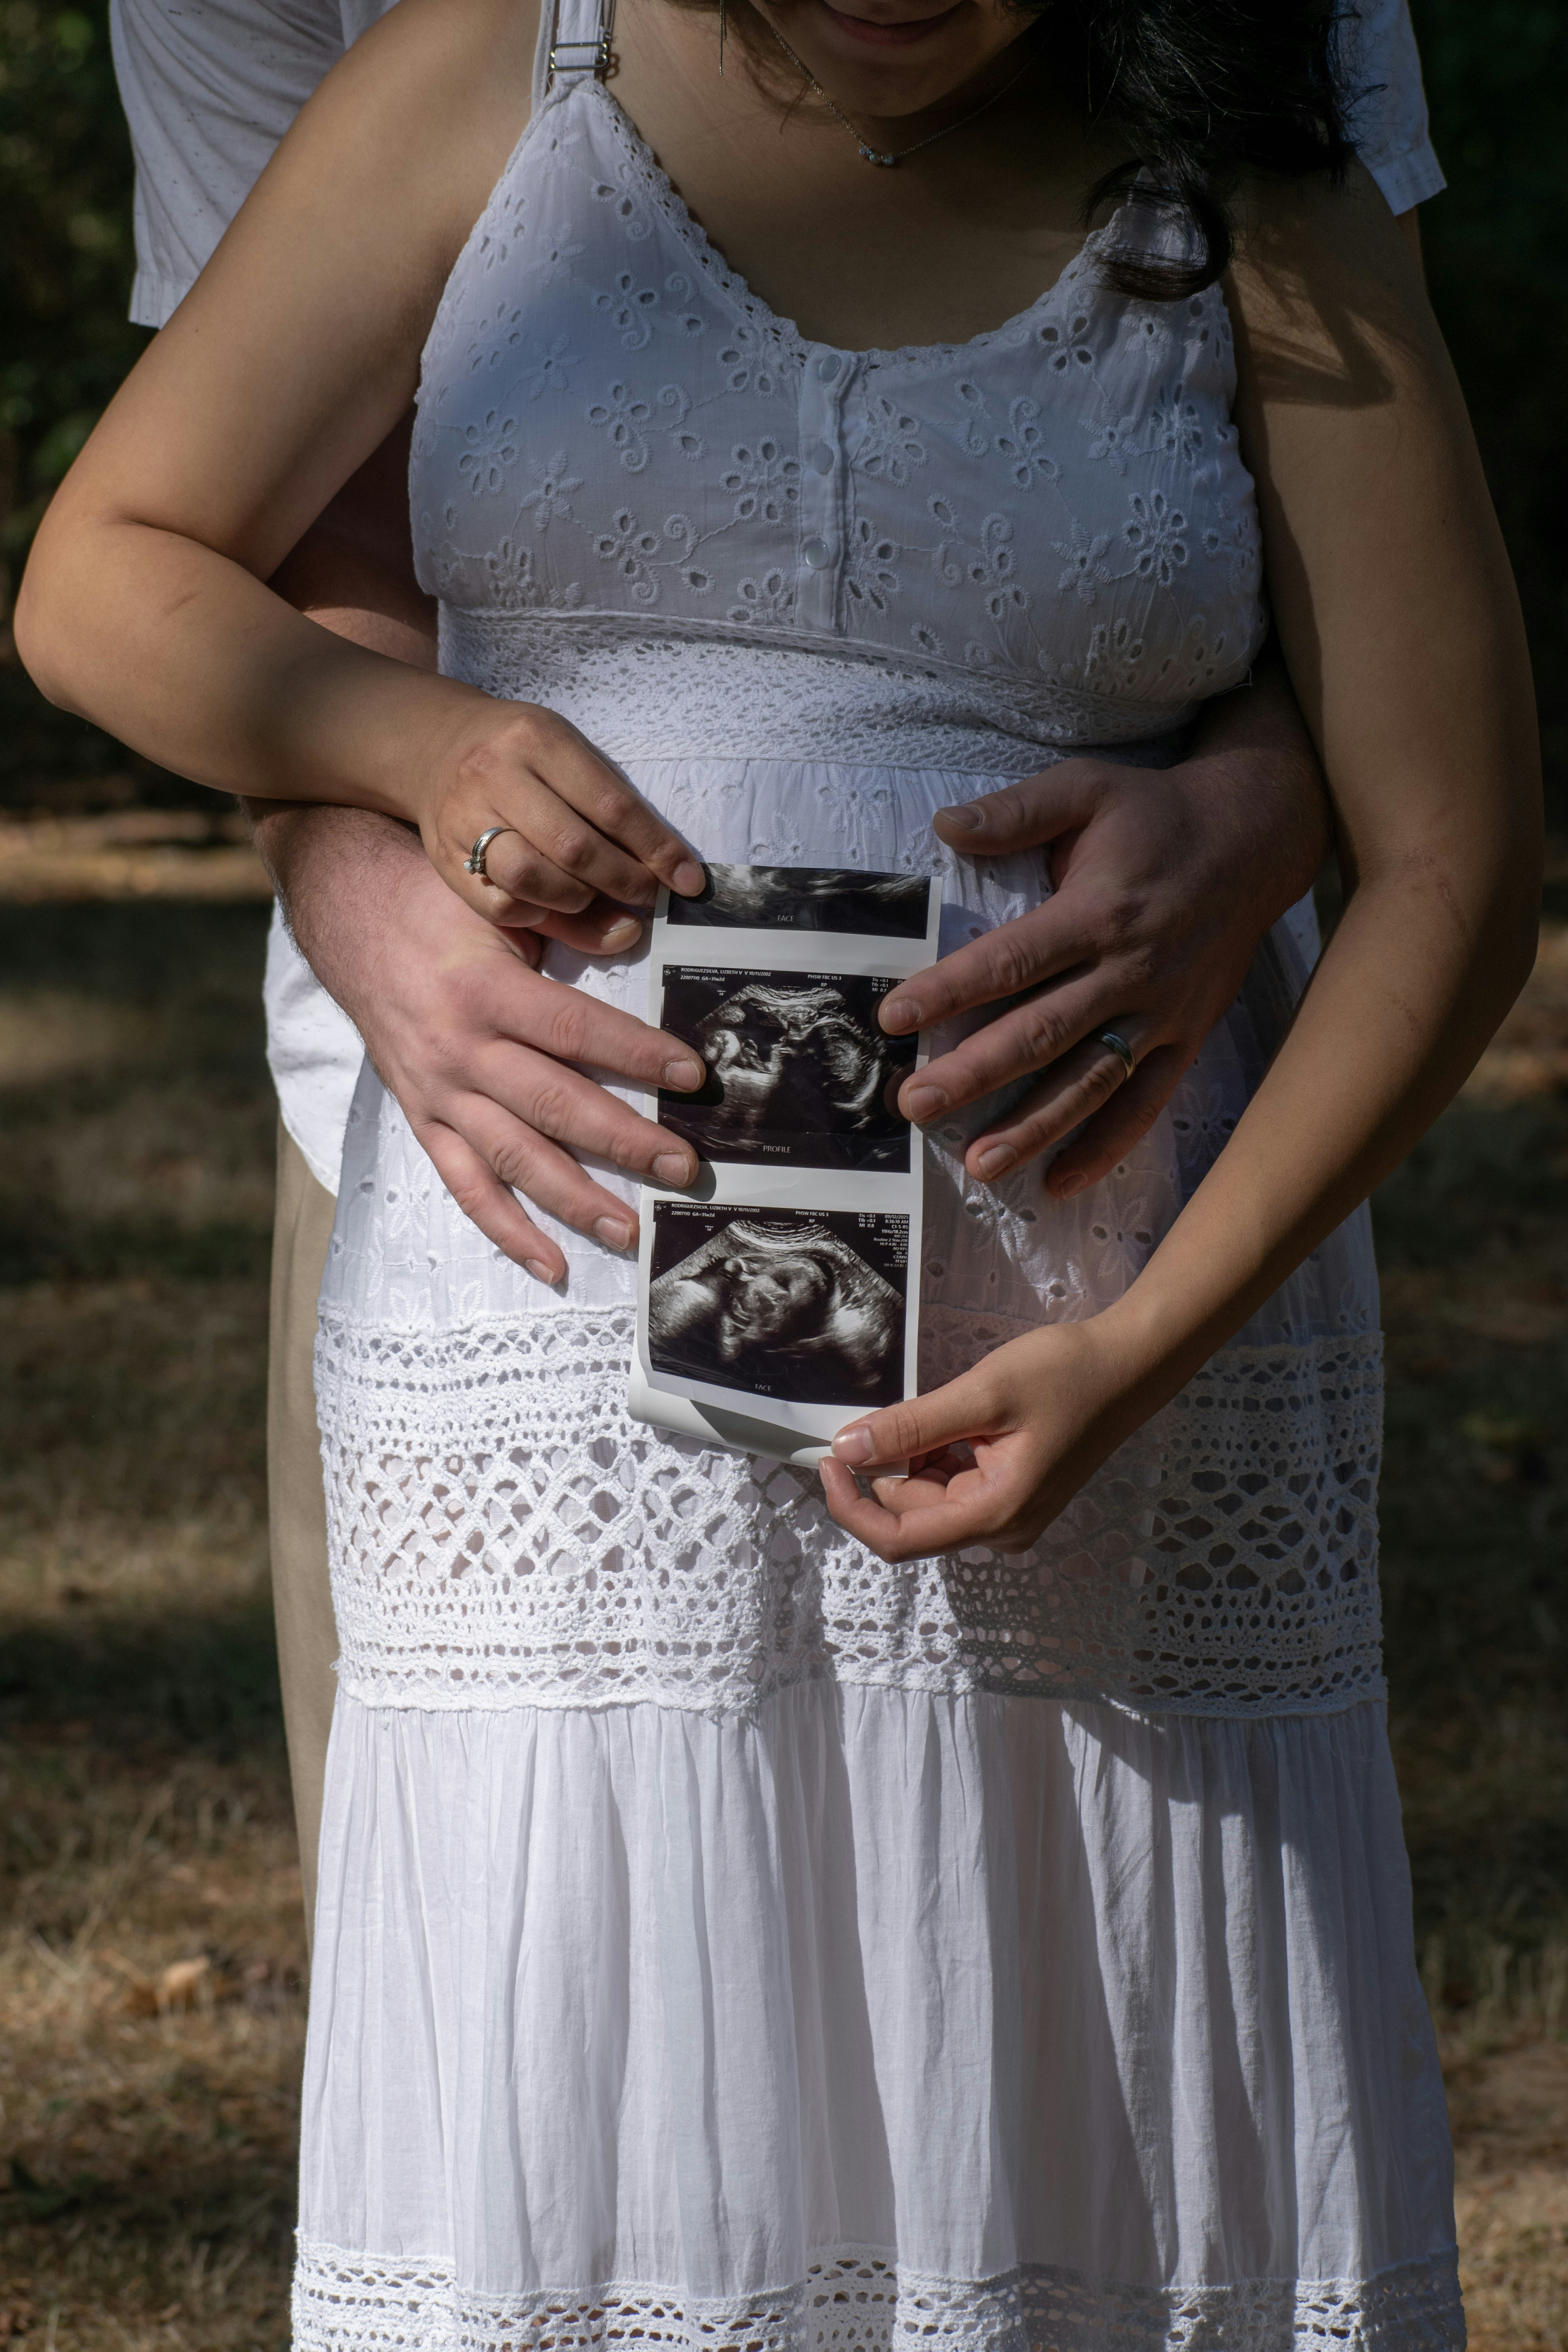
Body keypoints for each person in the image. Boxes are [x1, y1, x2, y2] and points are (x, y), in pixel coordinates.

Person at [18, 3, 1541, 2350]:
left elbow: (1458, 855)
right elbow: (106, 570)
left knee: (1086, 2133)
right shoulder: (491, 71)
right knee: (608, 2141)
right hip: (558, 1355)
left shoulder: (1255, 158)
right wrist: (408, 747)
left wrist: (1141, 1351)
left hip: (1107, 1412)